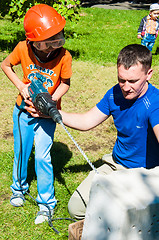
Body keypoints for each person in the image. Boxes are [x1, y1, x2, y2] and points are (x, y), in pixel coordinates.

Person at [56, 44, 159, 219]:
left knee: (132, 217)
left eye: (133, 81)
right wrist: (52, 113)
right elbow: (87, 121)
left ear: (148, 74)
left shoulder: (155, 103)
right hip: (116, 165)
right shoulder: (114, 94)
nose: (126, 87)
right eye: (121, 79)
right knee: (76, 209)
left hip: (146, 172)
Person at [1, 4, 72, 224]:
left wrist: (52, 102)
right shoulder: (23, 48)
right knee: (22, 151)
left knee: (42, 155)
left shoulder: (64, 56)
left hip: (47, 115)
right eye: (49, 40)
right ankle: (19, 189)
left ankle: (46, 203)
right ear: (34, 41)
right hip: (23, 111)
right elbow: (5, 65)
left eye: (58, 36)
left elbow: (66, 84)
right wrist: (21, 87)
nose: (56, 42)